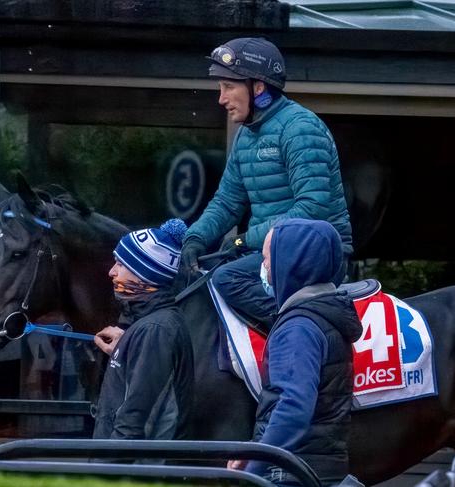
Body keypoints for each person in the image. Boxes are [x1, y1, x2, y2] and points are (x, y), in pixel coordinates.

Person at [180, 37, 352, 330]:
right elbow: (227, 202)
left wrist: (244, 240)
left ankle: (307, 330)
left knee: (227, 278)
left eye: (229, 87)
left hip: (318, 254)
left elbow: (313, 208)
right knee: (202, 276)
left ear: (258, 88)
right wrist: (195, 239)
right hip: (271, 253)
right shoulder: (246, 136)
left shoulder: (300, 128)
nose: (221, 99)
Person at [228, 218, 363, 486]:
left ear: (290, 263)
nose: (264, 268)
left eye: (267, 259)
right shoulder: (324, 317)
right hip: (322, 467)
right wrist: (256, 448)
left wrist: (254, 470)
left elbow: (292, 406)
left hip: (291, 472)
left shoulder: (298, 328)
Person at [92, 219, 194, 441]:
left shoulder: (156, 330)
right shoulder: (148, 326)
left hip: (135, 471)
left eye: (120, 264)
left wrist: (102, 471)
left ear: (145, 274)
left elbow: (134, 420)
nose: (111, 272)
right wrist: (127, 348)